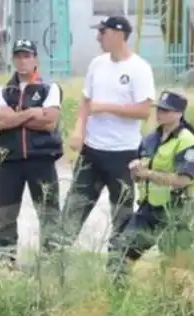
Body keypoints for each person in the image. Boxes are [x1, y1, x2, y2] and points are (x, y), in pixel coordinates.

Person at [55, 16, 155, 252]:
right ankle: (55, 259)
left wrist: (107, 107)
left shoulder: (139, 68)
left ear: (119, 34)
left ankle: (118, 263)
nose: (98, 37)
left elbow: (143, 110)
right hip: (92, 150)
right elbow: (86, 101)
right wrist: (79, 129)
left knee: (121, 211)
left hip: (123, 153)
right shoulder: (97, 64)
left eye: (103, 32)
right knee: (74, 206)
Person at [0, 38, 64, 266]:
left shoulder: (49, 88)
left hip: (41, 160)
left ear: (35, 59)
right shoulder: (3, 90)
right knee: (6, 213)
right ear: (13, 59)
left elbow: (50, 121)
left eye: (27, 56)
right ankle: (4, 260)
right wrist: (31, 113)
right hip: (9, 161)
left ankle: (51, 260)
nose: (22, 61)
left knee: (48, 212)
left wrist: (15, 117)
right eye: (18, 56)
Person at [108, 90, 194, 278]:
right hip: (148, 208)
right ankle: (117, 296)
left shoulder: (187, 140)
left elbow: (183, 180)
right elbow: (139, 176)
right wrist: (136, 172)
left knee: (176, 267)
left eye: (166, 110)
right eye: (159, 109)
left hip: (176, 211)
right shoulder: (149, 139)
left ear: (179, 113)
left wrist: (147, 173)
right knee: (121, 252)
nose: (160, 113)